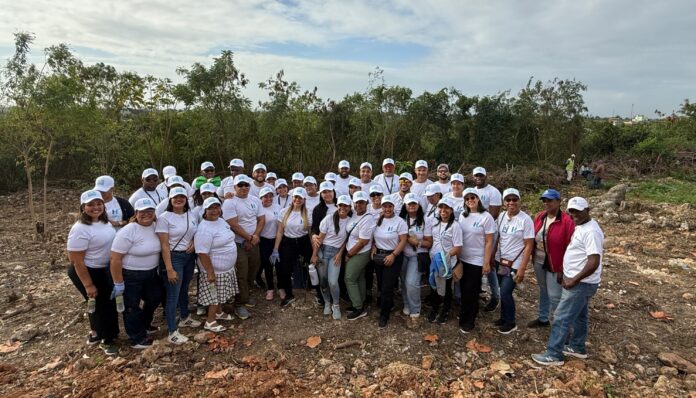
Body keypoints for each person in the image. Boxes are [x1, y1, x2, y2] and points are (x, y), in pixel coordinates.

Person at [532, 197, 604, 366]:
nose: (574, 215)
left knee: (561, 317)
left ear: (588, 210)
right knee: (580, 316)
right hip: (579, 281)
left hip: (581, 283)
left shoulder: (591, 231)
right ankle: (577, 347)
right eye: (571, 211)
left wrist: (574, 279)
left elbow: (594, 261)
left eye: (578, 211)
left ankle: (553, 354)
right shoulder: (581, 226)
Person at [67, 190, 119, 356]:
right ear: (83, 208)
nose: (96, 207)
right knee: (100, 305)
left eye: (98, 204)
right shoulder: (80, 229)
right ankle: (106, 340)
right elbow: (76, 261)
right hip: (87, 270)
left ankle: (97, 334)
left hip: (104, 269)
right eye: (90, 205)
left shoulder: (104, 222)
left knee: (104, 303)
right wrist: (88, 284)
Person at [110, 198, 162, 349]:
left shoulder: (156, 227)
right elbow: (115, 259)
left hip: (151, 273)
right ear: (136, 213)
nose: (146, 214)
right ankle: (137, 337)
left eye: (150, 211)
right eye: (142, 212)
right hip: (131, 275)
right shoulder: (128, 230)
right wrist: (118, 282)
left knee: (155, 298)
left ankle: (144, 324)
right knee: (132, 306)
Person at [155, 187, 200, 344]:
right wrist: (169, 268)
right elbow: (164, 245)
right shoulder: (164, 218)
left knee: (184, 288)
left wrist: (194, 242)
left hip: (189, 256)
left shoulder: (192, 214)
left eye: (182, 197)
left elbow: (195, 233)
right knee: (173, 294)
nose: (179, 199)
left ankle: (185, 316)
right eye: (175, 197)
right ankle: (172, 331)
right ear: (170, 200)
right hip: (174, 258)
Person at [528, 189, 575, 328]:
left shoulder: (566, 221)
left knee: (555, 295)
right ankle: (543, 318)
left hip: (555, 263)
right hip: (539, 259)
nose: (547, 203)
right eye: (545, 200)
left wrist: (562, 269)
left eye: (550, 200)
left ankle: (561, 326)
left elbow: (569, 247)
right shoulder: (540, 217)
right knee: (543, 289)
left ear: (559, 202)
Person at [222, 174, 264, 319]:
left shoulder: (254, 200)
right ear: (234, 187)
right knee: (241, 272)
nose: (244, 187)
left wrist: (255, 237)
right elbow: (233, 224)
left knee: (253, 270)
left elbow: (261, 219)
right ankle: (239, 303)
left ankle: (246, 295)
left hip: (253, 242)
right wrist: (248, 238)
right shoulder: (229, 202)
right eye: (240, 185)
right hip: (238, 243)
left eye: (246, 184)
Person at [194, 197, 239, 332]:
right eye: (211, 208)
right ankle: (210, 320)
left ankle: (219, 312)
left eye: (217, 207)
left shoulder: (221, 221)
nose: (215, 211)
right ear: (205, 211)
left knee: (221, 294)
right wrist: (210, 271)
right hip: (214, 270)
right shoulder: (204, 228)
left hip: (226, 268)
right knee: (214, 295)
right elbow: (202, 253)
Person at [494, 188, 534, 334]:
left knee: (505, 292)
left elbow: (529, 244)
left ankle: (511, 322)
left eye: (514, 199)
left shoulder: (525, 220)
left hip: (515, 263)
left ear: (519, 201)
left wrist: (522, 268)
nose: (511, 202)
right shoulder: (502, 216)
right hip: (501, 260)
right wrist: (493, 257)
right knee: (502, 291)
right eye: (508, 200)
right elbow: (498, 238)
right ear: (504, 202)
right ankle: (503, 317)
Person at [457, 188, 495, 333]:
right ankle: (466, 313)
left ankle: (469, 321)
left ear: (478, 199)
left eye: (473, 197)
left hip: (477, 259)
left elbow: (489, 241)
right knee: (463, 288)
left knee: (471, 290)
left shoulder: (486, 217)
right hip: (462, 258)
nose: (470, 200)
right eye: (467, 198)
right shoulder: (462, 215)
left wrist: (486, 262)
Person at [311, 194, 353, 320]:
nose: (343, 208)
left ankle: (336, 304)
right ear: (337, 206)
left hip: (336, 253)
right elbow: (320, 240)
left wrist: (340, 254)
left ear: (350, 207)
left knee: (333, 282)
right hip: (323, 252)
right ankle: (327, 303)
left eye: (346, 206)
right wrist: (314, 255)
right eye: (340, 205)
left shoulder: (350, 222)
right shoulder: (328, 219)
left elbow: (346, 240)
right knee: (323, 281)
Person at [272, 187, 313, 307]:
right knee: (285, 269)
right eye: (296, 197)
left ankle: (311, 288)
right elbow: (280, 231)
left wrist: (314, 251)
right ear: (292, 198)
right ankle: (289, 294)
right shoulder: (283, 212)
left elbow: (310, 233)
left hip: (303, 241)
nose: (298, 199)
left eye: (300, 198)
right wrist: (275, 249)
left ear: (304, 199)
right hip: (288, 242)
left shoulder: (308, 212)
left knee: (309, 265)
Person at [371, 195, 408, 328]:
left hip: (394, 255)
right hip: (379, 255)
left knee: (387, 286)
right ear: (382, 207)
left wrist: (393, 255)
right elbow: (373, 236)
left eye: (389, 206)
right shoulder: (377, 220)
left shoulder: (400, 221)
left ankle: (384, 315)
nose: (387, 209)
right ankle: (388, 303)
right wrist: (374, 246)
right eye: (385, 206)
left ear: (393, 207)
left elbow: (403, 240)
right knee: (381, 283)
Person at [472, 167, 503, 313]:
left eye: (481, 175)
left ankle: (496, 296)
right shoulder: (472, 191)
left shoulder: (493, 192)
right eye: (476, 175)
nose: (478, 177)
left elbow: (494, 215)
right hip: (475, 232)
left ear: (485, 176)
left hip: (489, 232)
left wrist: (478, 223)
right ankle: (477, 290)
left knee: (489, 263)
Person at [399, 193, 432, 326]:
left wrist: (417, 241)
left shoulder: (425, 220)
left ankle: (415, 309)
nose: (412, 206)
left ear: (418, 205)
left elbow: (429, 243)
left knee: (411, 283)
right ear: (405, 206)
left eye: (414, 203)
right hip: (403, 255)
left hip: (417, 256)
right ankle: (407, 303)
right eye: (409, 204)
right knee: (403, 281)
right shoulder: (401, 219)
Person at [427, 197, 462, 324]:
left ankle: (445, 311)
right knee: (434, 286)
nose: (443, 210)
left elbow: (458, 247)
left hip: (447, 262)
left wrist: (445, 256)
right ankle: (435, 309)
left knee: (446, 288)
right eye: (441, 207)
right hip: (434, 261)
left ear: (451, 210)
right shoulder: (434, 223)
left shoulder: (455, 226)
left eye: (446, 208)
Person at [343, 191, 376, 321]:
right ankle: (360, 302)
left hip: (360, 252)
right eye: (356, 202)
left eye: (361, 202)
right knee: (359, 277)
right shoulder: (354, 215)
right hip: (355, 251)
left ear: (366, 203)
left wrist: (349, 254)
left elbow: (363, 241)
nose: (358, 205)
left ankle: (358, 307)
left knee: (349, 278)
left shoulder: (367, 218)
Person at [258, 187, 281, 301]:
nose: (268, 199)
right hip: (264, 240)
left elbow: (281, 225)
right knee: (267, 265)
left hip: (277, 239)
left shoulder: (278, 207)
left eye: (270, 196)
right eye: (265, 197)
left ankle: (281, 287)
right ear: (260, 198)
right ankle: (270, 288)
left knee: (279, 264)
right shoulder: (258, 209)